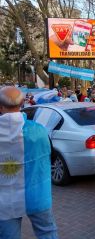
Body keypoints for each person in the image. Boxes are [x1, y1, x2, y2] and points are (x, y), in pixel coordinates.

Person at [0, 87, 58, 239]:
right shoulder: (39, 130)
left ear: (0, 107)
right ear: (22, 104)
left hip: (6, 198)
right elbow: (50, 157)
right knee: (47, 232)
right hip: (38, 193)